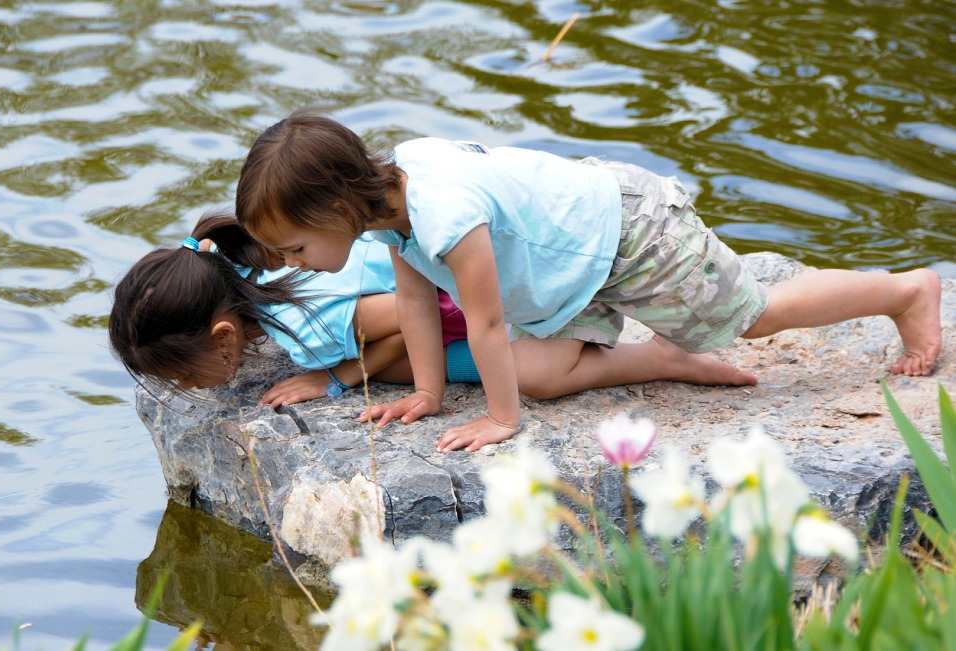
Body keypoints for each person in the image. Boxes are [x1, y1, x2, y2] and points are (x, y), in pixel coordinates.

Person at [234, 111, 942, 453]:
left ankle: (904, 292)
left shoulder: (441, 211)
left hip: (625, 234)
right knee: (536, 371)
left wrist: (502, 421)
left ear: (334, 208)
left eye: (293, 247)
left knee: (751, 316)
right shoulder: (387, 211)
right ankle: (668, 356)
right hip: (567, 274)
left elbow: (480, 322)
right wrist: (428, 393)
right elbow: (418, 297)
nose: (290, 262)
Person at [108, 209, 480, 406]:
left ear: (223, 336)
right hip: (442, 258)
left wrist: (339, 376)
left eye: (183, 375)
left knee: (387, 369)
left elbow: (421, 313)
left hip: (468, 297)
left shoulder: (308, 330)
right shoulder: (244, 254)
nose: (187, 386)